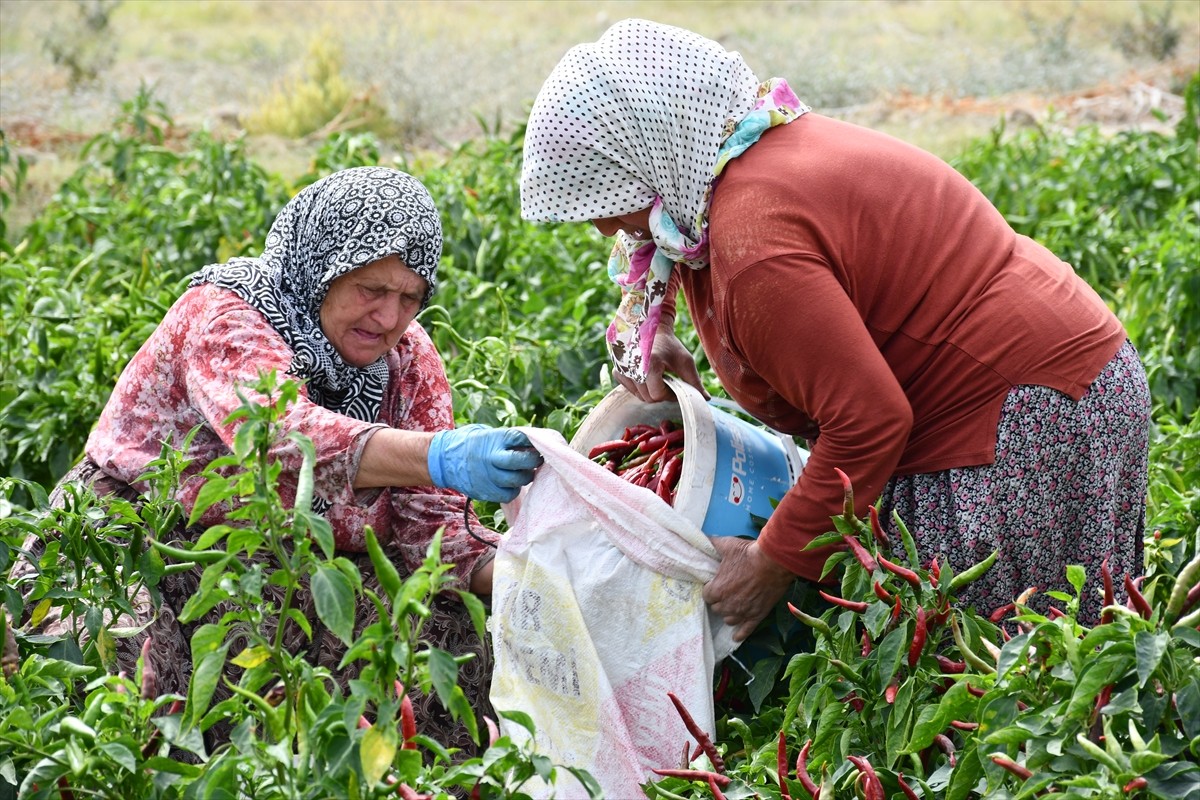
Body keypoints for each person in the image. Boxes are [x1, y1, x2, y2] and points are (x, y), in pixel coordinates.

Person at [519, 19, 1150, 632]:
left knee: (1019, 680)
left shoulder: (756, 247)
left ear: (656, 152)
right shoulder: (744, 158)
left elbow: (870, 423)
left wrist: (771, 564)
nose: (603, 227)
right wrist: (650, 332)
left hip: (1024, 419)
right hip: (1070, 378)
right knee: (1058, 664)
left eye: (607, 200)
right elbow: (671, 249)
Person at [21, 166, 543, 753]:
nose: (390, 318)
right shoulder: (226, 314)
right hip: (141, 536)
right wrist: (437, 456)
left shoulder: (407, 360)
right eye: (371, 290)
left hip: (291, 565)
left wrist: (546, 575)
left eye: (410, 298)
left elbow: (435, 538)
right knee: (117, 689)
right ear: (322, 270)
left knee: (451, 637)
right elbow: (278, 433)